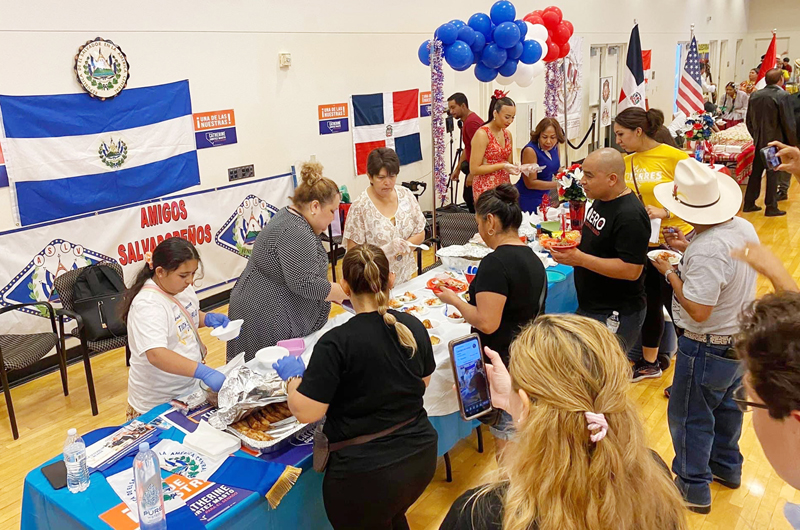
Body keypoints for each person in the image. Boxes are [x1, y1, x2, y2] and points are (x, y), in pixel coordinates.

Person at [439, 315, 688, 530]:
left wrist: (519, 408)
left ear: (525, 405)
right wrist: (513, 401)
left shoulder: (480, 514)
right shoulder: (654, 476)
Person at [274, 244, 437, 530]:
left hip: (365, 479)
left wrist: (292, 381)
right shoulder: (412, 326)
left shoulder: (336, 343)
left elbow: (307, 412)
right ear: (390, 280)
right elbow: (421, 384)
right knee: (393, 516)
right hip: (419, 459)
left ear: (344, 286)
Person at [650, 158, 758, 514]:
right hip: (738, 337)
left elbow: (698, 309)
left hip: (706, 344)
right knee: (728, 408)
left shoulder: (709, 248)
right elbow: (724, 271)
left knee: (690, 415)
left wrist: (670, 273)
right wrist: (686, 249)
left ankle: (692, 485)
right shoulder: (741, 227)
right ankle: (727, 468)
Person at [435, 184, 546, 452]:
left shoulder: (495, 264)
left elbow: (487, 322)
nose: (479, 232)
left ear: (491, 222)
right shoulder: (531, 256)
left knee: (508, 446)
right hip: (527, 357)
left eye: (479, 223)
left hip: (504, 364)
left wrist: (454, 300)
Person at [227, 161, 347, 361]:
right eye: (332, 211)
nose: (333, 217)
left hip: (259, 302)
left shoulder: (290, 216)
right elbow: (304, 282)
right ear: (315, 206)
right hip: (264, 312)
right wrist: (344, 292)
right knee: (264, 370)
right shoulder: (296, 231)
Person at [614, 107, 693, 381]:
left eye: (621, 134)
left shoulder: (675, 157)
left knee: (679, 306)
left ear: (639, 131)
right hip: (645, 243)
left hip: (675, 241)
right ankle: (650, 362)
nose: (618, 140)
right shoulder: (628, 161)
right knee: (649, 301)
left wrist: (666, 212)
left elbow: (699, 199)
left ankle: (689, 371)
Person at [550, 148, 650, 356]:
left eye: (589, 175)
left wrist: (580, 259)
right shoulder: (601, 198)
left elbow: (631, 270)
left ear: (612, 179)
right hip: (591, 306)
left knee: (601, 376)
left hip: (614, 313)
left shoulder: (630, 216)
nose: (582, 181)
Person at [122, 238, 229, 420]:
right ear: (160, 272)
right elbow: (156, 354)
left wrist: (207, 318)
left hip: (187, 389)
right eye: (183, 275)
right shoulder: (147, 304)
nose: (190, 280)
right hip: (157, 401)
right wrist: (202, 371)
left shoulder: (180, 288)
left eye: (193, 273)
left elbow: (185, 319)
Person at [343, 147, 426, 285]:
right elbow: (353, 256)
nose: (387, 183)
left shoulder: (406, 195)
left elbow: (420, 232)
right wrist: (385, 252)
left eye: (392, 176)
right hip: (373, 283)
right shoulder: (360, 207)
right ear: (370, 176)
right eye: (381, 177)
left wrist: (406, 247)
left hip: (405, 279)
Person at [744, 68, 798, 215]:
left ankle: (749, 203)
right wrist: (792, 144)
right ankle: (771, 206)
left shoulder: (755, 95)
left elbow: (748, 120)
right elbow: (788, 121)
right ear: (781, 79)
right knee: (774, 172)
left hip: (759, 140)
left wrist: (755, 135)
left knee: (756, 173)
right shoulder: (783, 96)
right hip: (775, 142)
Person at [469, 95, 519, 201]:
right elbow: (474, 169)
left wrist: (518, 167)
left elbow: (508, 163)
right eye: (507, 117)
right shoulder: (482, 134)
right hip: (486, 188)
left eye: (513, 117)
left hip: (504, 186)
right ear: (495, 113)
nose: (510, 121)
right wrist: (502, 166)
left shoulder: (507, 134)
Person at [515, 118, 564, 214]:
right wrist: (559, 184)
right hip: (529, 197)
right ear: (538, 136)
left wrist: (569, 175)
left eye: (553, 137)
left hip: (545, 195)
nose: (548, 142)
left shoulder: (555, 146)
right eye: (544, 137)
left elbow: (555, 168)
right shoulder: (530, 151)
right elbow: (530, 183)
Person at [448, 93, 486, 213]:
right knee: (468, 198)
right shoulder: (467, 122)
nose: (451, 111)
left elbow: (482, 149)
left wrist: (473, 174)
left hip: (476, 170)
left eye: (453, 107)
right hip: (471, 168)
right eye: (450, 108)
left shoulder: (471, 123)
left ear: (463, 105)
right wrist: (457, 169)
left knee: (473, 200)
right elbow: (468, 148)